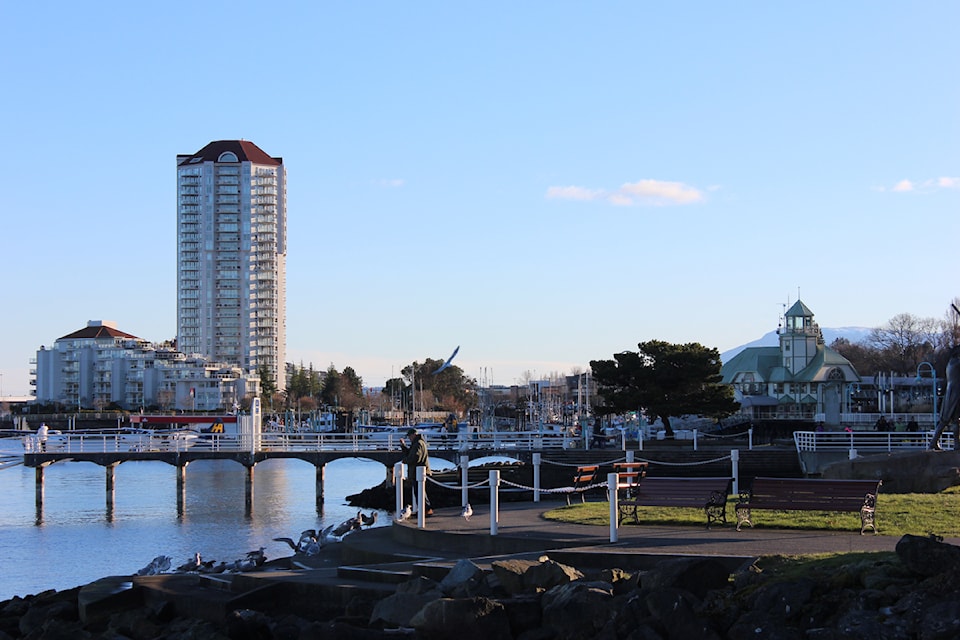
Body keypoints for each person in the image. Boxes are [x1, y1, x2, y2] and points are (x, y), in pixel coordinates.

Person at [930, 345, 960, 450]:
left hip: (951, 393)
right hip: (956, 393)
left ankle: (934, 442)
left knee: (946, 420)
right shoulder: (956, 363)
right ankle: (956, 444)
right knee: (954, 419)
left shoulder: (951, 363)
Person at [400, 428, 432, 515]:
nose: (409, 438)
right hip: (418, 472)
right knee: (419, 492)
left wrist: (405, 461)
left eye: (410, 436)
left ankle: (426, 510)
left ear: (414, 435)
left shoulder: (418, 444)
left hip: (419, 472)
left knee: (419, 492)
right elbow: (411, 454)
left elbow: (415, 457)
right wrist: (403, 446)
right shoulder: (417, 443)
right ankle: (423, 510)